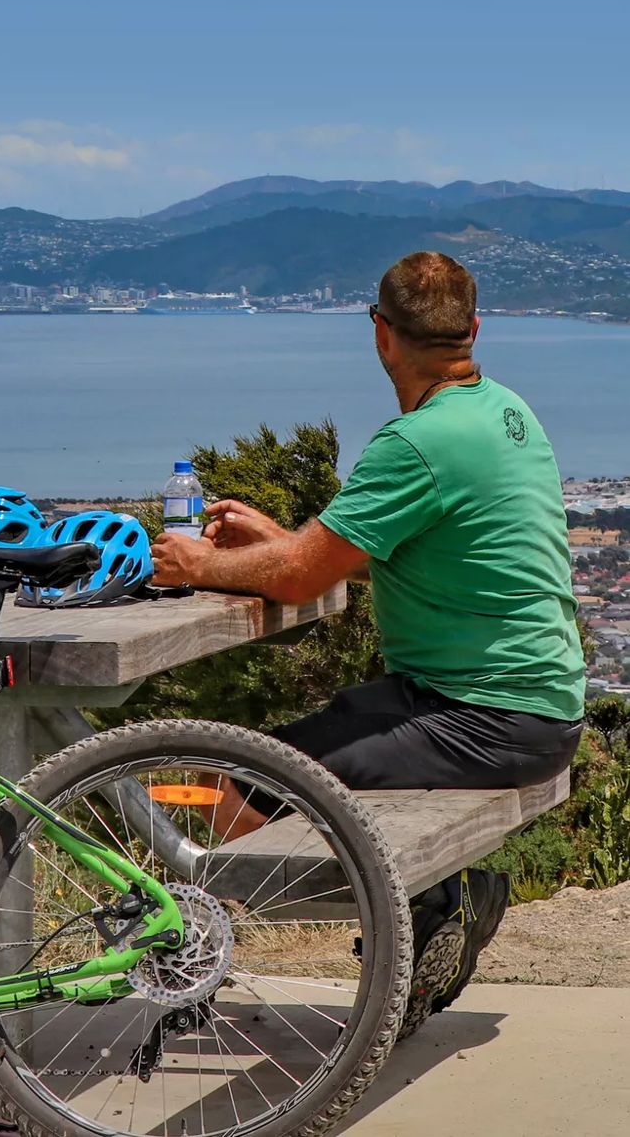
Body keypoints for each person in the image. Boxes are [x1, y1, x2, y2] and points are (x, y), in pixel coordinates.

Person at [150, 250, 584, 1036]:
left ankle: (428, 906)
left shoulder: (418, 443)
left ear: (381, 335)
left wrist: (200, 561)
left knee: (219, 783)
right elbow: (325, 561)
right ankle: (431, 902)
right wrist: (281, 544)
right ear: (474, 330)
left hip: (479, 716)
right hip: (524, 704)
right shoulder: (505, 412)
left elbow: (295, 580)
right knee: (267, 763)